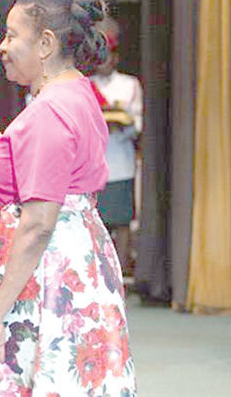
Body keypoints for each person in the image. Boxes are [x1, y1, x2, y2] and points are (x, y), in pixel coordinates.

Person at [0, 0, 137, 396]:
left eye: (11, 36)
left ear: (45, 44)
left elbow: (39, 222)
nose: (2, 47)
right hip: (72, 263)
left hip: (46, 273)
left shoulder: (50, 110)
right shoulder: (78, 94)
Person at [90, 18, 143, 275]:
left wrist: (122, 127)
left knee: (121, 222)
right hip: (92, 165)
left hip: (121, 162)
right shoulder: (82, 85)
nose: (104, 61)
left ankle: (120, 275)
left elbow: (139, 124)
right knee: (92, 223)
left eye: (109, 55)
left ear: (116, 57)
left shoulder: (130, 85)